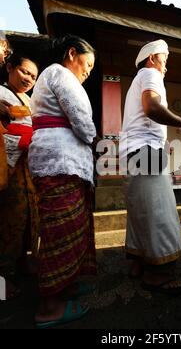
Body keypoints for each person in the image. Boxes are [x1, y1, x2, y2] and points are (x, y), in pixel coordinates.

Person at [28, 35, 97, 328]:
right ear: (72, 54)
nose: (88, 71)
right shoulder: (60, 73)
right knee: (60, 230)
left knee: (69, 227)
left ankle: (65, 285)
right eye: (87, 64)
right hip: (60, 162)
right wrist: (94, 136)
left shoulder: (54, 77)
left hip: (63, 163)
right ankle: (49, 306)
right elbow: (83, 122)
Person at [119, 39, 181, 295]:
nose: (166, 68)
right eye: (165, 60)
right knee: (159, 210)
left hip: (134, 150)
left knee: (141, 208)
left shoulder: (136, 81)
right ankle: (157, 275)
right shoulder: (151, 73)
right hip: (146, 150)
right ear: (152, 58)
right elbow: (152, 106)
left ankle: (139, 262)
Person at [0, 54, 40, 283]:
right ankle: (3, 277)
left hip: (28, 164)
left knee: (29, 215)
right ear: (10, 67)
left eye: (33, 76)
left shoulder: (31, 100)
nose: (28, 79)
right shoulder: (1, 92)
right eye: (25, 72)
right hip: (7, 161)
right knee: (9, 217)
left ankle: (24, 261)